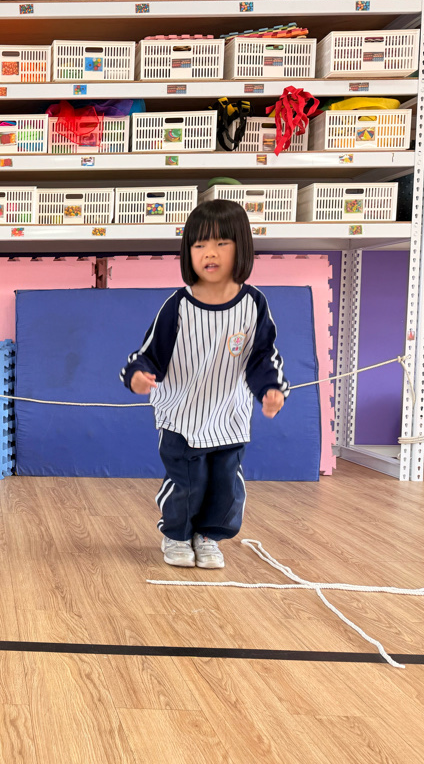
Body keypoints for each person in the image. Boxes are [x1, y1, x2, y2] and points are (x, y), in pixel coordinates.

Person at [119, 199, 288, 569]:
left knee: (227, 487)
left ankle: (209, 536)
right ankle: (177, 534)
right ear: (188, 253)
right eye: (199, 245)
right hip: (182, 416)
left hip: (229, 415)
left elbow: (263, 356)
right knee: (186, 483)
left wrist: (271, 389)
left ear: (242, 248)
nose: (210, 253)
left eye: (222, 243)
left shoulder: (254, 304)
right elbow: (149, 353)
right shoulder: (178, 305)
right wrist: (137, 376)